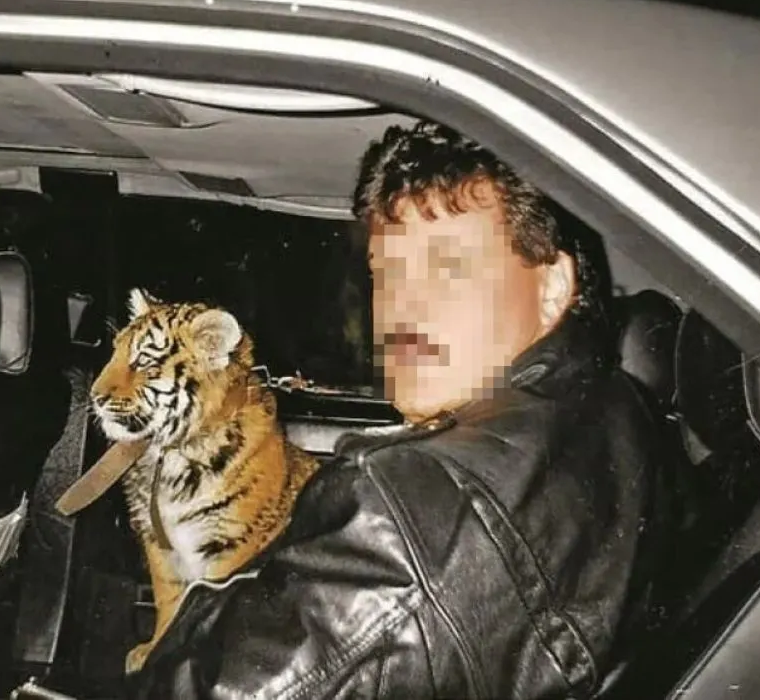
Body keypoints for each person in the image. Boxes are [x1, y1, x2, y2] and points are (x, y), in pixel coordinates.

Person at [126, 120, 677, 699]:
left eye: (448, 266)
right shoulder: (620, 413)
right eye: (386, 273)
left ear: (552, 286)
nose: (403, 307)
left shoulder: (412, 513)